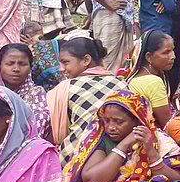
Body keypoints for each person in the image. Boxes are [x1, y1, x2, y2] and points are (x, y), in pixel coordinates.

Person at [46, 35, 126, 166]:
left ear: (86, 60)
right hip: (118, 157)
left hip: (73, 157)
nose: (61, 69)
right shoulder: (121, 83)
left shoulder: (65, 87)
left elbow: (56, 134)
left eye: (65, 62)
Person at [0, 43, 49, 140]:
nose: (16, 69)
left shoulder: (36, 94)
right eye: (10, 64)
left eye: (22, 64)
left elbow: (39, 121)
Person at [128, 30, 177, 129]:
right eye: (166, 52)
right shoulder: (153, 82)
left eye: (172, 50)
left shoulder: (133, 78)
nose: (173, 56)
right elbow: (167, 125)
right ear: (149, 57)